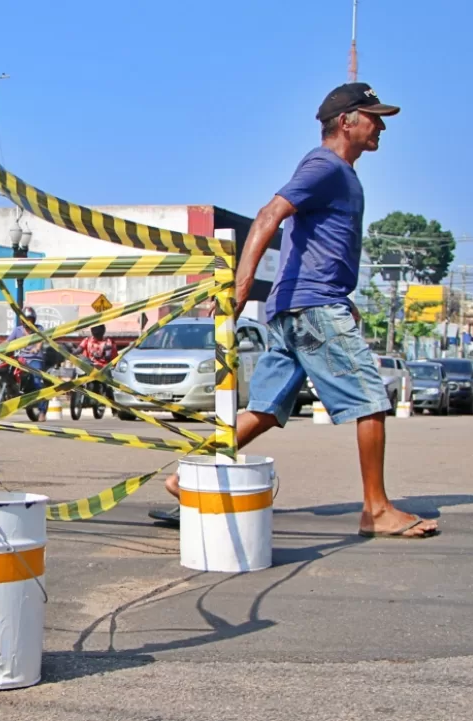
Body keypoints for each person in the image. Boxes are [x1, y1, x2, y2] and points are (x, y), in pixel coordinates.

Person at [155, 82, 437, 539]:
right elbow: (269, 214)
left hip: (296, 306)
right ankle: (377, 509)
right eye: (373, 116)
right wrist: (242, 285)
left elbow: (310, 245)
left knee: (265, 410)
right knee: (371, 401)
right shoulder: (325, 165)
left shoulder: (339, 172)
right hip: (312, 305)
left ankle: (184, 478)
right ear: (346, 121)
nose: (381, 125)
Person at [5, 307, 46, 371]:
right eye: (26, 319)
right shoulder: (17, 330)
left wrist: (36, 348)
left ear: (33, 320)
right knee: (9, 371)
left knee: (36, 374)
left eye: (30, 319)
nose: (28, 321)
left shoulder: (39, 328)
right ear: (22, 320)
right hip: (21, 359)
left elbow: (40, 341)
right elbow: (7, 342)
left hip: (35, 358)